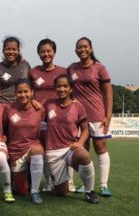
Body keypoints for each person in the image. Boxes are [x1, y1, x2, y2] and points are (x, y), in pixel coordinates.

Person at [67, 37, 113, 197]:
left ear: (91, 48)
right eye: (79, 47)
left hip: (97, 115)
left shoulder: (99, 68)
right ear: (75, 50)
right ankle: (86, 184)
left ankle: (103, 185)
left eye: (85, 47)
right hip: (78, 117)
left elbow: (108, 93)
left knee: (100, 148)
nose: (82, 50)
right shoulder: (72, 69)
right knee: (82, 151)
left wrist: (108, 115)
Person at [44, 74, 99, 204]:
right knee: (62, 193)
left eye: (65, 86)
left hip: (70, 148)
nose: (62, 89)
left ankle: (89, 191)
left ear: (70, 89)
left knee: (84, 155)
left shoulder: (78, 106)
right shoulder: (48, 104)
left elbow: (85, 130)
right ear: (55, 88)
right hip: (53, 152)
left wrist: (80, 142)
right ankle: (63, 181)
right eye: (59, 86)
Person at [29, 38, 68, 192]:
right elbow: (27, 90)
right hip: (39, 118)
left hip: (58, 118)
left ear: (54, 52)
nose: (46, 54)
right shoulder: (33, 72)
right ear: (38, 53)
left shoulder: (63, 71)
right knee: (43, 151)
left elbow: (69, 91)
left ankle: (66, 181)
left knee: (61, 149)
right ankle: (49, 182)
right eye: (42, 51)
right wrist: (33, 100)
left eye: (48, 51)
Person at [4, 79, 45, 204]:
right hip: (15, 151)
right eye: (19, 92)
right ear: (15, 93)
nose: (23, 95)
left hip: (32, 147)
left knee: (37, 151)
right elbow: (3, 127)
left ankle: (35, 191)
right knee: (22, 191)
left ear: (32, 92)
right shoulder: (8, 108)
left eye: (26, 91)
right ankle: (18, 179)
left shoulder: (40, 109)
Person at [0, 36, 30, 104]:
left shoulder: (25, 65)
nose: (11, 52)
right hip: (2, 106)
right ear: (3, 50)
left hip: (21, 107)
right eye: (8, 49)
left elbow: (31, 85)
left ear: (18, 51)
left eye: (14, 49)